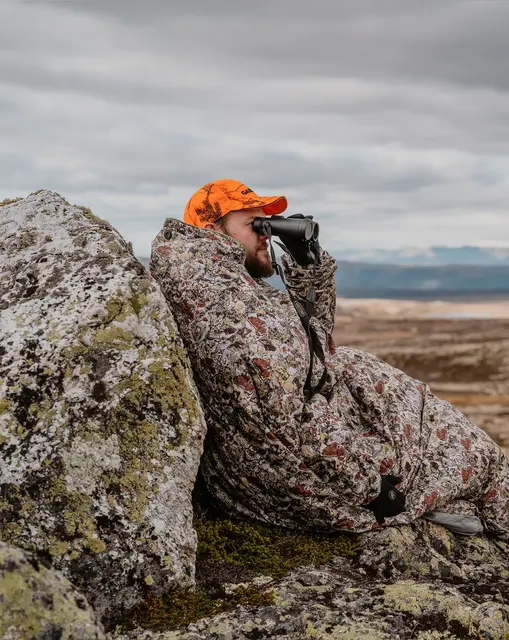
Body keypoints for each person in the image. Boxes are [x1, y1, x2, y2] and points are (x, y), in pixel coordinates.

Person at [150, 178, 509, 537]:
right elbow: (282, 427)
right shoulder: (224, 307)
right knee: (480, 458)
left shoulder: (216, 285)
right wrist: (374, 486)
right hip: (308, 483)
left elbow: (313, 344)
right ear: (213, 231)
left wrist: (308, 266)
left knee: (416, 409)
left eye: (268, 223)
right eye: (255, 225)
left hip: (301, 460)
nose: (266, 234)